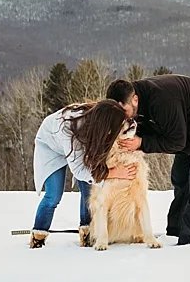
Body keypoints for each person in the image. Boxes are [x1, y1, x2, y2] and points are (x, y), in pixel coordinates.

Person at [105, 73, 190, 246]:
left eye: (123, 112)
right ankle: (173, 232)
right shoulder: (133, 98)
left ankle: (188, 241)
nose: (122, 117)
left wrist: (141, 142)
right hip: (188, 128)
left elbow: (176, 142)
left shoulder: (162, 100)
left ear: (135, 100)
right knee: (180, 178)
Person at [29, 100, 138, 249]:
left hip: (79, 144)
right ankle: (38, 236)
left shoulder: (99, 120)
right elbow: (80, 171)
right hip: (51, 146)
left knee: (89, 189)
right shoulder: (68, 129)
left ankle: (88, 232)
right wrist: (113, 173)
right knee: (53, 195)